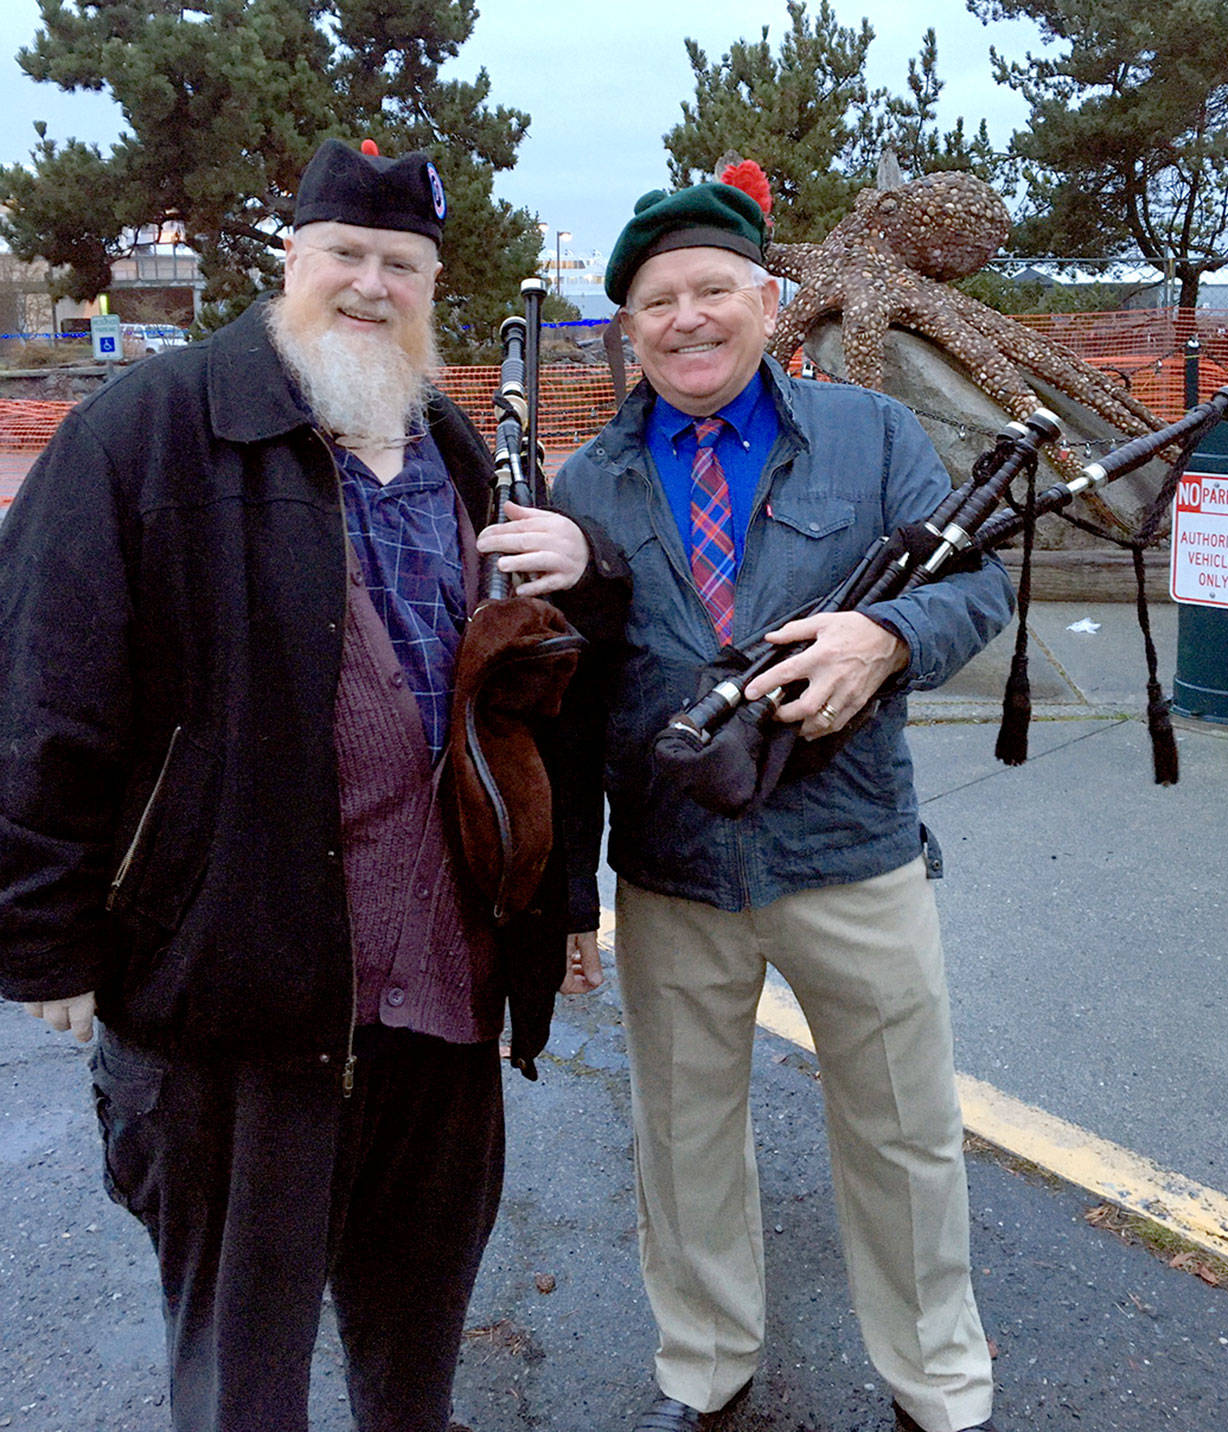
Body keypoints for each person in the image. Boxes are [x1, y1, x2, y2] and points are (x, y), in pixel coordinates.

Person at [0, 137, 626, 1432]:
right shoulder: (150, 430)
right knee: (243, 1382)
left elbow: (532, 699)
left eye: (401, 264)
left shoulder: (453, 444)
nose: (370, 285)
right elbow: (41, 693)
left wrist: (560, 899)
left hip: (439, 1005)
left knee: (415, 1355)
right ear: (290, 258)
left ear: (433, 281)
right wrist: (44, 941)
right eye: (344, 253)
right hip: (237, 1000)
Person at [550, 178, 1014, 1432]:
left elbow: (977, 589)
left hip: (851, 854)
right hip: (670, 872)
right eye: (658, 301)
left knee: (905, 1135)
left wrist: (886, 631)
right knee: (682, 1141)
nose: (688, 318)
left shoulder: (870, 436)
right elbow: (567, 713)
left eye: (713, 290)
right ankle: (704, 1369)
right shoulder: (579, 488)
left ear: (767, 304)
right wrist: (558, 902)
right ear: (628, 330)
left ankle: (938, 1383)